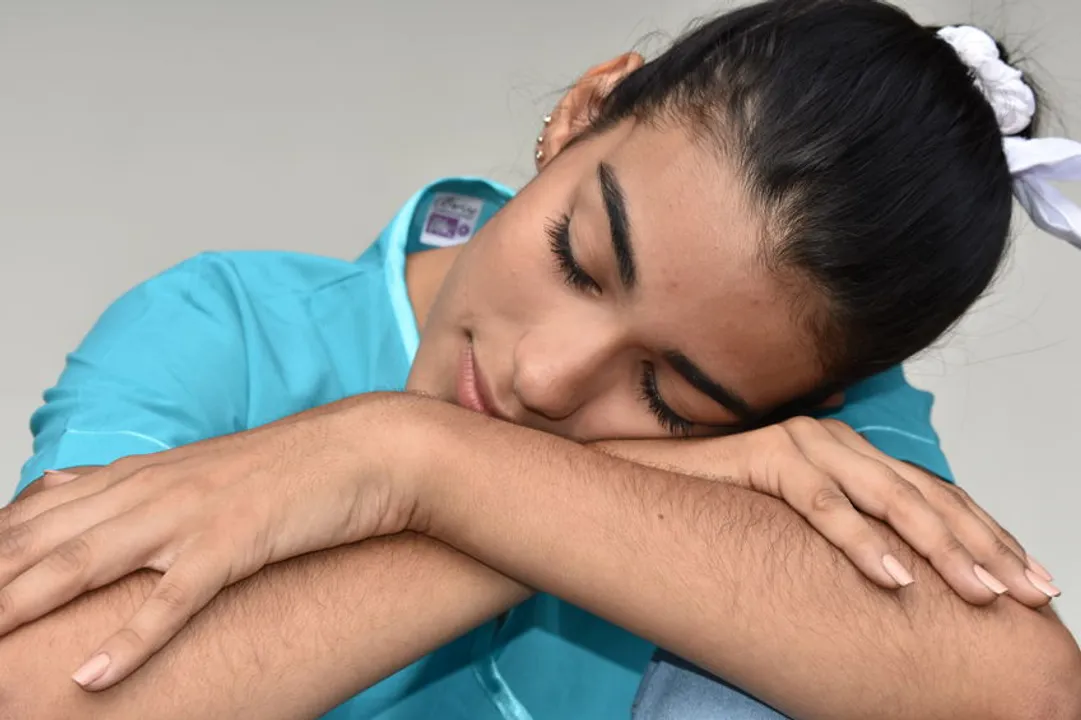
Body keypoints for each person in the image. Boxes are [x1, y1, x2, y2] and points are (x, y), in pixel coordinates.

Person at [1, 1, 1080, 718]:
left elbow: (1019, 694)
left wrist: (416, 468)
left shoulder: (811, 421)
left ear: (814, 396)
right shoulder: (224, 331)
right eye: (577, 256)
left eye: (667, 394)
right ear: (581, 113)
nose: (550, 379)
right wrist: (428, 467)